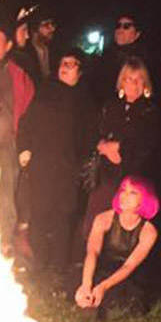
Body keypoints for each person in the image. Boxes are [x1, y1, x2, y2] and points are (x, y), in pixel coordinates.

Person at [18, 51, 97, 274]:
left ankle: (59, 268)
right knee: (39, 216)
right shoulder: (44, 93)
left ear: (80, 73)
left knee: (63, 218)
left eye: (72, 65)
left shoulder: (84, 101)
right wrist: (24, 148)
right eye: (64, 63)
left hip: (67, 170)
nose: (66, 67)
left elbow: (88, 136)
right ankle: (38, 265)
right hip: (41, 166)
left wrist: (79, 164)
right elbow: (26, 123)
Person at [83, 57, 161, 237]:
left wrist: (120, 150)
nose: (132, 84)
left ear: (145, 83)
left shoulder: (150, 111)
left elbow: (148, 143)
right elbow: (96, 132)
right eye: (128, 78)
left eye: (137, 79)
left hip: (133, 177)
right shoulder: (110, 106)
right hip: (106, 175)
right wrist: (103, 146)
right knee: (95, 221)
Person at [0, 27, 36, 253]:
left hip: (6, 145)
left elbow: (26, 108)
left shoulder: (16, 72)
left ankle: (3, 241)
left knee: (4, 191)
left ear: (8, 45)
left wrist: (24, 144)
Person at [76, 176, 161, 316]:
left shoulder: (149, 231)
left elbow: (129, 266)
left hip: (128, 275)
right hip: (102, 268)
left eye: (133, 193)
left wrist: (103, 287)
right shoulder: (103, 218)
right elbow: (92, 252)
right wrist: (86, 284)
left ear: (144, 199)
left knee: (123, 301)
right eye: (123, 190)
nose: (125, 196)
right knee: (79, 287)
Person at [93, 12, 158, 105]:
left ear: (137, 34)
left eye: (126, 26)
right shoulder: (104, 57)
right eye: (118, 25)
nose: (121, 29)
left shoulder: (147, 60)